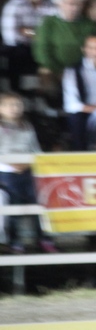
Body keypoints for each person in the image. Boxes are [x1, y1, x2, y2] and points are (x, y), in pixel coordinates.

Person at [0, 93, 49, 253]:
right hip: (6, 172)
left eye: (17, 105)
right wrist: (13, 164)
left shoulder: (27, 126)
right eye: (10, 105)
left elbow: (35, 149)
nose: (14, 108)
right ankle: (15, 241)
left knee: (40, 199)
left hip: (28, 170)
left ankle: (44, 238)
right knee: (14, 202)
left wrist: (29, 163)